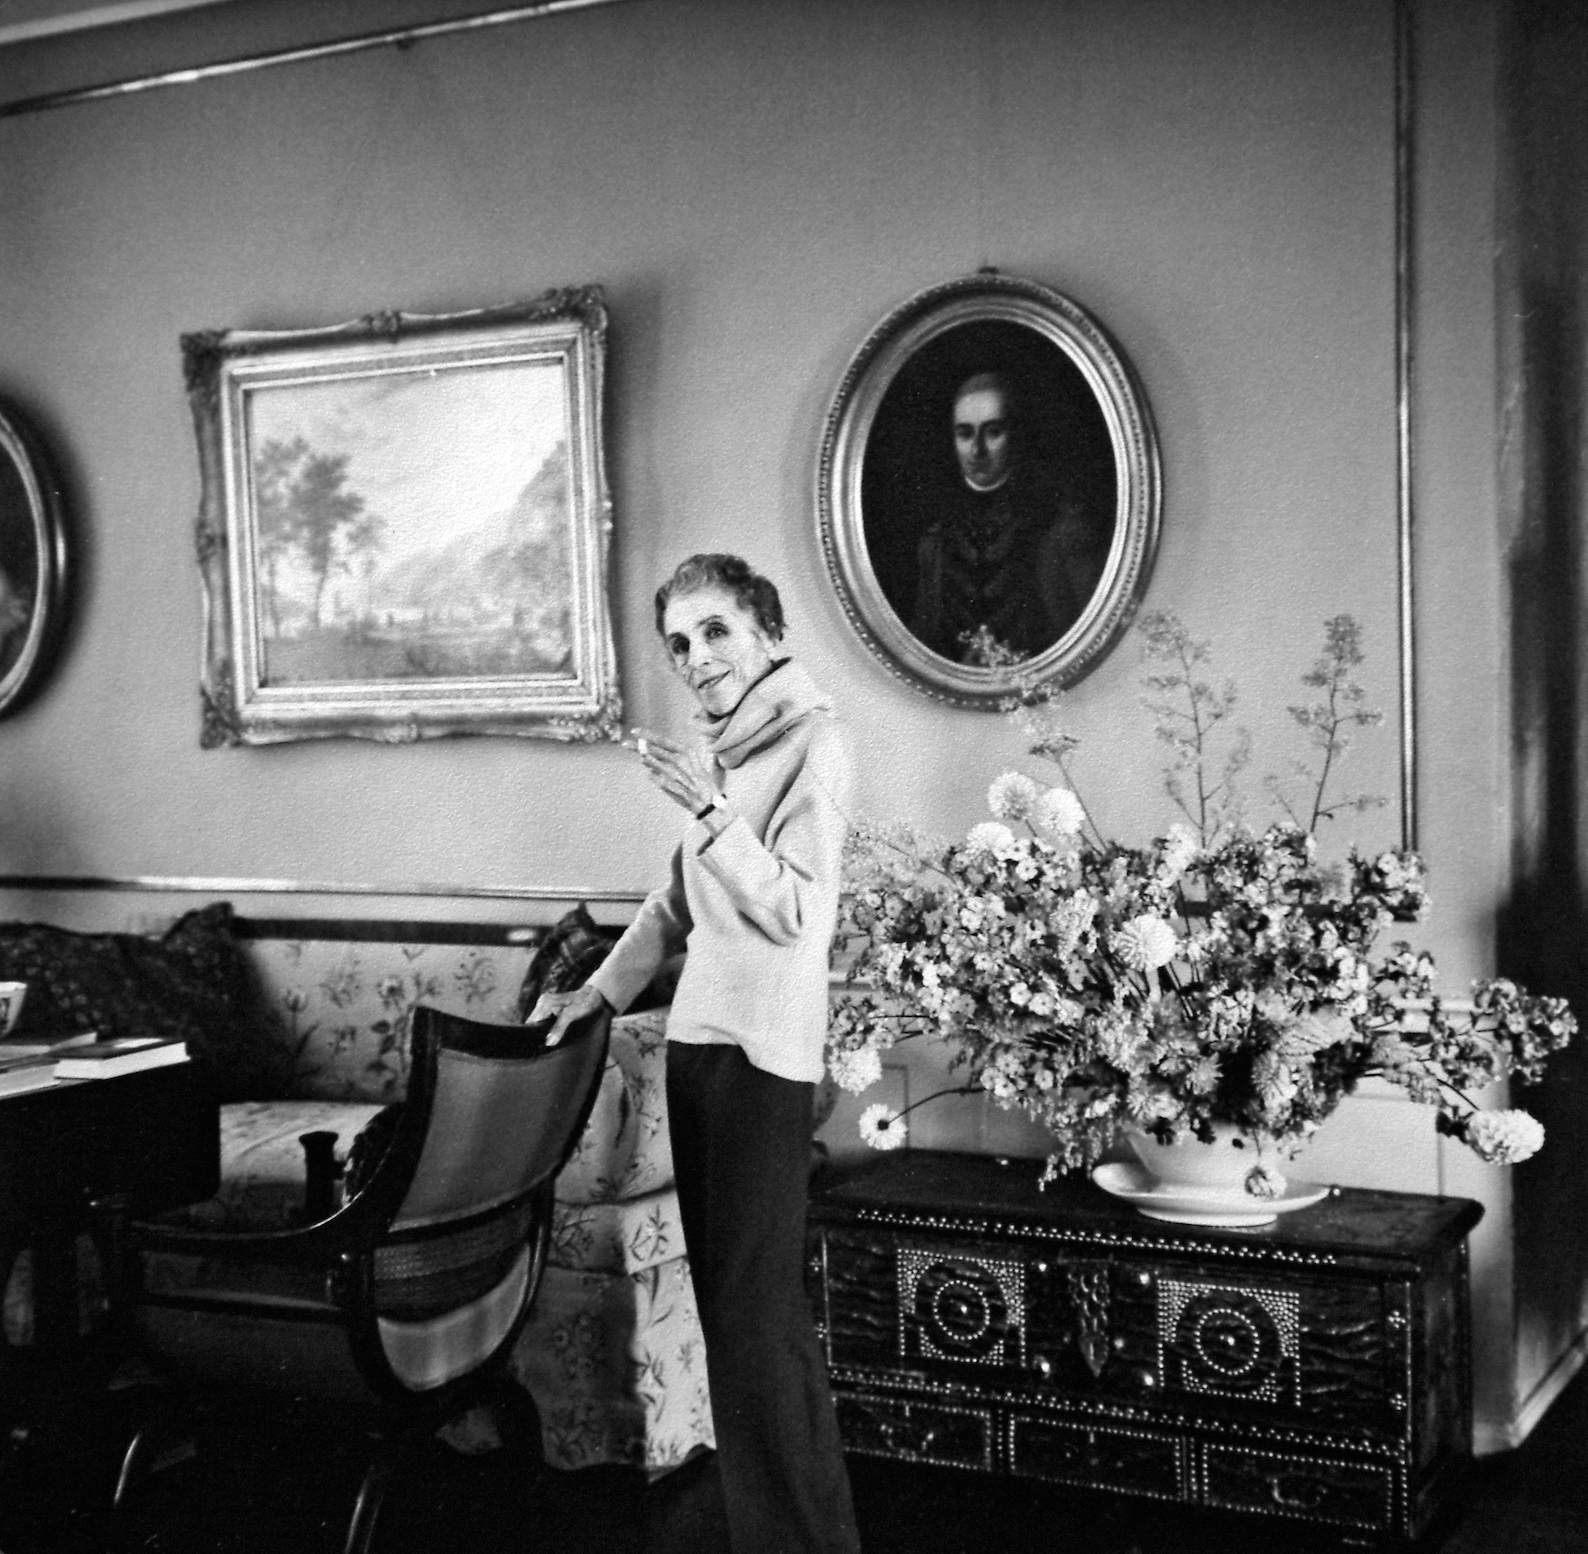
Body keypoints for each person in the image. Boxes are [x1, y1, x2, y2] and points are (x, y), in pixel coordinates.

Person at [532, 553, 862, 1554]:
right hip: (700, 1049)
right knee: (733, 1321)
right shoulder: (732, 748)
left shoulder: (815, 742)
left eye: (715, 630)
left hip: (761, 1056)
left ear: (766, 632)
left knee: (758, 1321)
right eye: (679, 643)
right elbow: (676, 903)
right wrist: (594, 996)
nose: (697, 656)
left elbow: (800, 913)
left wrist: (715, 818)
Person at [910, 369, 1105, 664]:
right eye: (964, 434)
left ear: (1017, 433)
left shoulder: (1063, 529)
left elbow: (1092, 645)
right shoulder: (935, 542)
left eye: (992, 432)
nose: (977, 450)